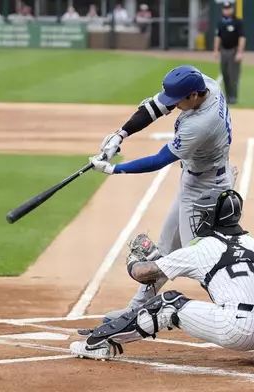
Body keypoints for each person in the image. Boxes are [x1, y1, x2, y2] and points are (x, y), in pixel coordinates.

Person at [70, 189, 254, 367]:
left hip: (237, 329)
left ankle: (98, 343)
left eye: (202, 214)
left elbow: (143, 274)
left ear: (211, 218)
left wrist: (135, 260)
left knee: (167, 303)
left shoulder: (201, 249)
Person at [89, 65, 238, 321]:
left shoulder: (202, 124)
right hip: (197, 180)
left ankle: (240, 309)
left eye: (176, 101)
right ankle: (136, 310)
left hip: (207, 192)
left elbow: (159, 160)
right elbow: (155, 107)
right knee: (166, 251)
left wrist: (115, 169)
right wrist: (120, 134)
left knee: (202, 259)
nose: (171, 105)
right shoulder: (205, 84)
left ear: (192, 96)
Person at [213, 1, 245, 105]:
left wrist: (240, 52)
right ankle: (227, 96)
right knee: (225, 73)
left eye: (228, 8)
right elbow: (217, 37)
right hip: (223, 50)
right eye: (225, 9)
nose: (226, 10)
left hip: (233, 50)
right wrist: (216, 50)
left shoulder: (237, 22)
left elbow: (242, 38)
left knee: (233, 75)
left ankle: (233, 97)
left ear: (232, 9)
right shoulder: (220, 22)